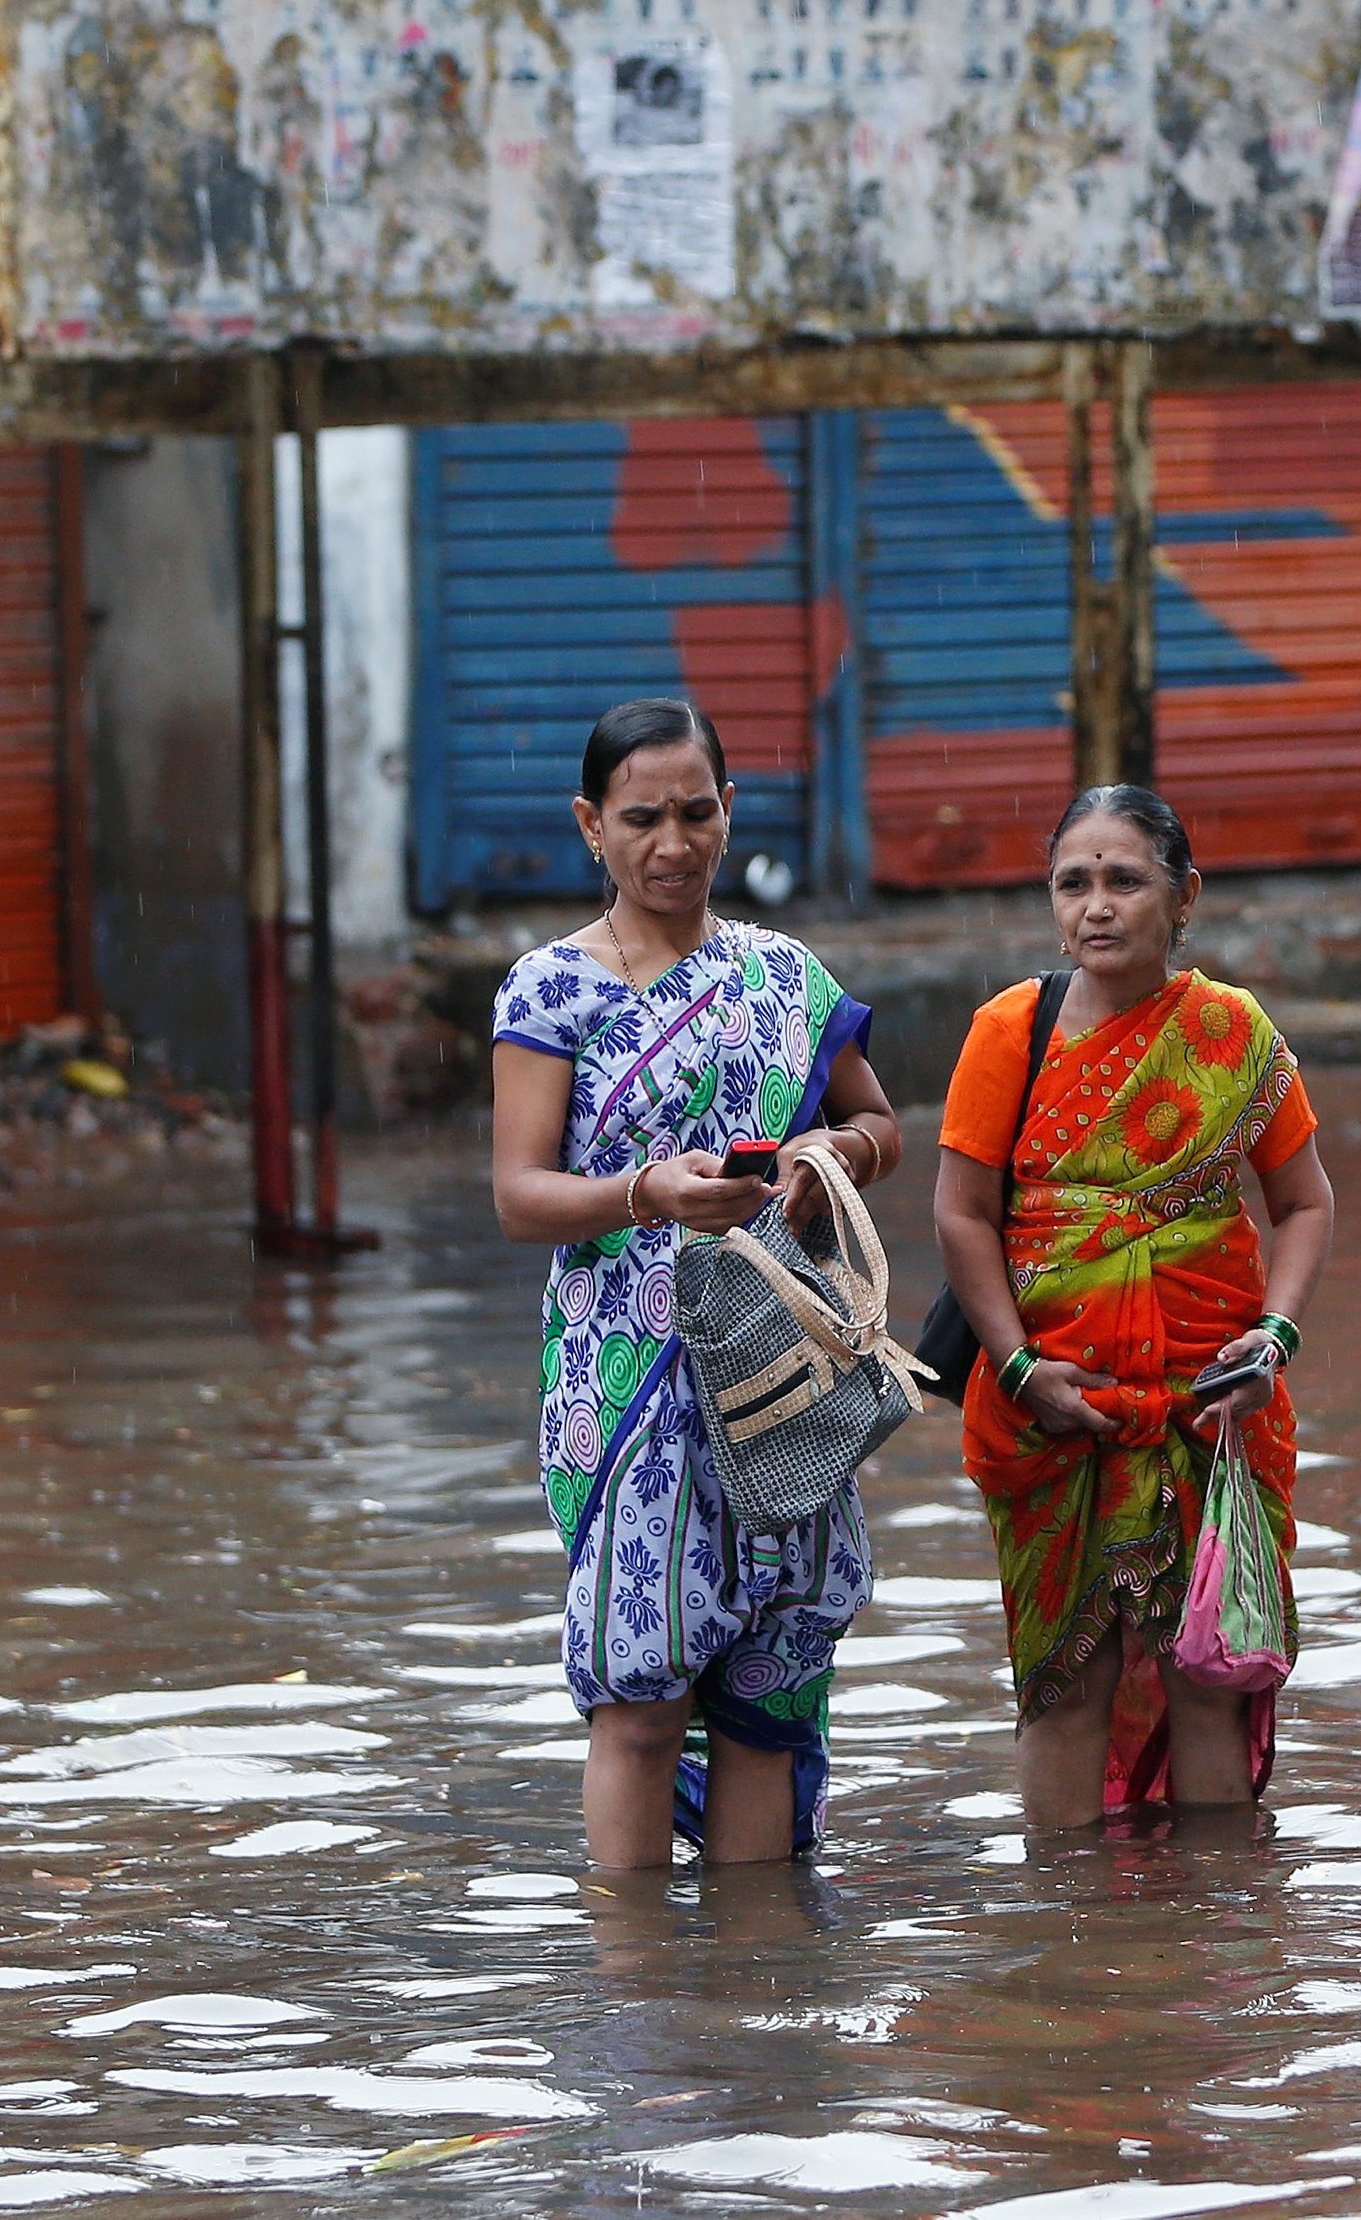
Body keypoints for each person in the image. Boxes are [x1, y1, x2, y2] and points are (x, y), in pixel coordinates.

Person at [487, 698, 904, 1869]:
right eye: (640, 817)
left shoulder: (783, 975)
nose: (672, 842)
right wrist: (648, 1193)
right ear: (589, 824)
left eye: (695, 810)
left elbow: (876, 1119)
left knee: (767, 1702)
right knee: (639, 1700)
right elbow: (520, 1195)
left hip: (781, 1369)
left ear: (730, 810)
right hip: (625, 1385)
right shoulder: (549, 992)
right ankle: (637, 2006)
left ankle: (753, 1989)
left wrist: (833, 1157)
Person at [931, 786, 1338, 1830]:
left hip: (1212, 1410)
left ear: (1183, 894)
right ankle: (1069, 1956)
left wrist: (1274, 1334)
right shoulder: (1006, 1033)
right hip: (1050, 1414)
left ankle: (1211, 1950)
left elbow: (1301, 1202)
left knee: (1208, 1668)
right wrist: (1020, 1368)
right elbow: (963, 1217)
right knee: (1064, 1682)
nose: (1096, 906)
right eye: (1074, 882)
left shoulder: (1228, 1032)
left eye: (1125, 879)